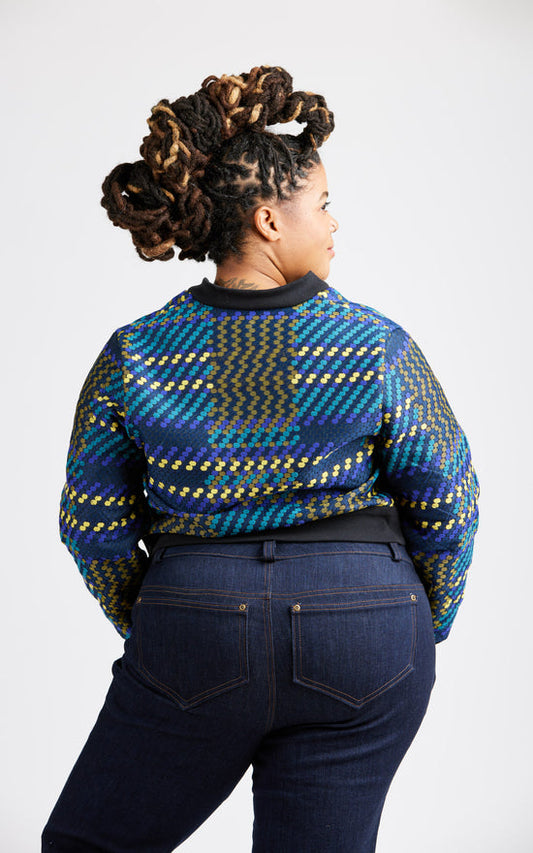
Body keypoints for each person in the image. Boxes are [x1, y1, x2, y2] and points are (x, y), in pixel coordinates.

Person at [42, 65, 480, 852]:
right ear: (270, 219)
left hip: (196, 617)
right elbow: (448, 501)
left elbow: (91, 523)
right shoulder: (373, 344)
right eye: (323, 203)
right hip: (368, 625)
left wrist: (164, 619)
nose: (334, 223)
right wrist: (422, 618)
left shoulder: (134, 353)